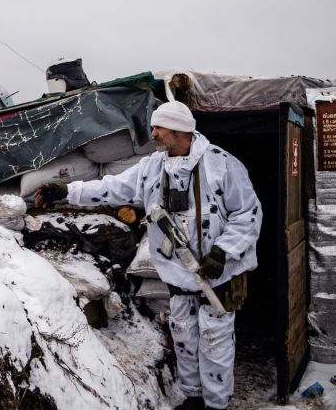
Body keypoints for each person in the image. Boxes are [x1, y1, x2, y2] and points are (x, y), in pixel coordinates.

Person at [34, 101, 262, 410]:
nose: (152, 133)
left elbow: (247, 213)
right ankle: (194, 398)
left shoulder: (221, 164)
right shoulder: (153, 166)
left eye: (159, 127)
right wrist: (66, 191)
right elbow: (112, 188)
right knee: (183, 337)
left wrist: (223, 252)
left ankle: (216, 404)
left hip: (216, 276)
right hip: (179, 274)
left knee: (214, 342)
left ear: (179, 130)